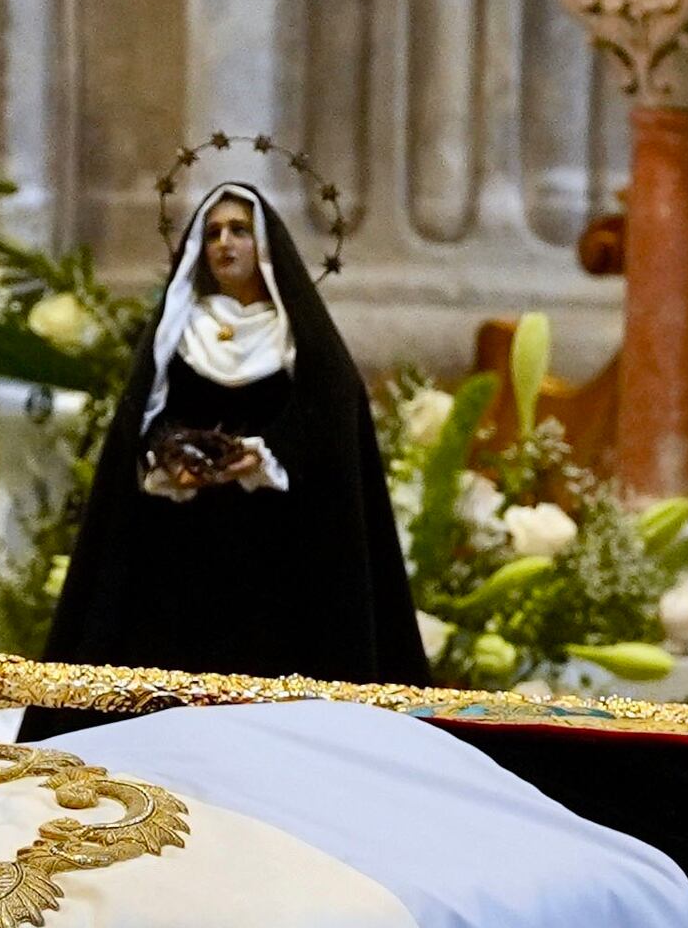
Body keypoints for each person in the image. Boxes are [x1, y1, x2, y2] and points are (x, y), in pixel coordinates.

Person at [38, 178, 427, 689]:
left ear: (264, 246)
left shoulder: (297, 335)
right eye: (215, 232)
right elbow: (151, 415)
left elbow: (330, 422)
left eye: (239, 231)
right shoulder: (180, 329)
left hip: (276, 552)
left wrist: (268, 454)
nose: (225, 242)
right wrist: (167, 453)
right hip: (185, 546)